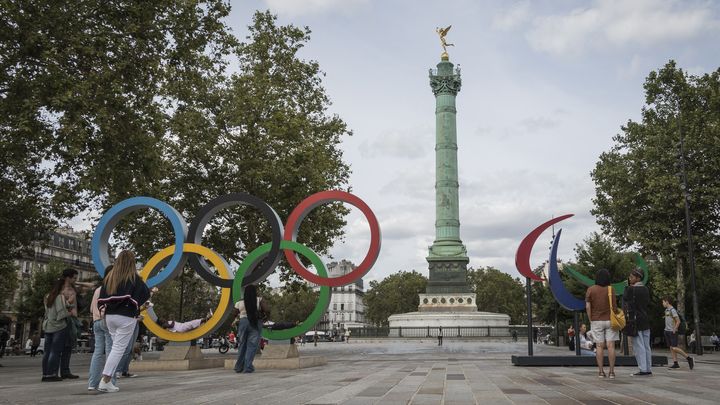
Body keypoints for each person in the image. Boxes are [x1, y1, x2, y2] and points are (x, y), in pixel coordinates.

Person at [96, 250, 151, 392]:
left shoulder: (110, 277)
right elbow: (145, 293)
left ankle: (108, 381)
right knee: (118, 349)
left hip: (110, 316)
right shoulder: (134, 278)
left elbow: (102, 297)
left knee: (115, 349)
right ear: (132, 262)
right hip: (125, 316)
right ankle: (105, 380)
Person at [58, 268, 93, 379]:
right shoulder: (61, 289)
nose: (76, 280)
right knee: (64, 346)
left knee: (68, 347)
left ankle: (65, 370)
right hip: (65, 318)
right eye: (74, 278)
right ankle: (62, 371)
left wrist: (76, 282)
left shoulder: (73, 288)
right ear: (68, 277)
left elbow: (91, 285)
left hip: (73, 319)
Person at [585, 268, 618, 379]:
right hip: (610, 320)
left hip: (596, 320)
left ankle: (601, 372)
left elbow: (588, 306)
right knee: (611, 346)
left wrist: (590, 319)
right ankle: (612, 372)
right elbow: (614, 306)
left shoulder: (591, 289)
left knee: (599, 345)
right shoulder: (610, 289)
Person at [88, 276, 117, 391]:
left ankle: (92, 383)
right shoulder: (111, 289)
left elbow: (91, 308)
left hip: (96, 322)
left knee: (97, 352)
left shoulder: (97, 289)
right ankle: (109, 381)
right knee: (111, 351)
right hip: (106, 320)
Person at [233, 284, 269, 374]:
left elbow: (233, 313)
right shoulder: (259, 300)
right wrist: (265, 318)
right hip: (255, 323)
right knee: (252, 346)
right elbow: (267, 310)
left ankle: (238, 367)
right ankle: (248, 367)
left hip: (243, 323)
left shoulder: (240, 302)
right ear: (255, 292)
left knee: (242, 345)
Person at [41, 277, 71, 382]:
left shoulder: (48, 296)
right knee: (55, 351)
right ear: (61, 286)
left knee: (47, 351)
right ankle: (52, 374)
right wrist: (69, 312)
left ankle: (45, 373)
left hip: (48, 325)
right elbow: (61, 313)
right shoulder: (59, 297)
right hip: (58, 326)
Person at [623, 268, 652, 376]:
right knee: (646, 345)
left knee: (638, 345)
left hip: (635, 320)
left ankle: (643, 369)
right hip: (645, 319)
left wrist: (628, 287)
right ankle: (648, 368)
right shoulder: (645, 289)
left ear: (638, 278)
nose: (630, 279)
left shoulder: (630, 289)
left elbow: (625, 298)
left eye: (631, 277)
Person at [662, 296, 694, 370]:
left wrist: (675, 329)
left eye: (663, 302)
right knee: (671, 348)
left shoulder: (673, 310)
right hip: (667, 331)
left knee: (674, 347)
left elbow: (678, 321)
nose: (662, 303)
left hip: (672, 331)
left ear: (667, 302)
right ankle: (675, 363)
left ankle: (689, 358)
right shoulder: (666, 310)